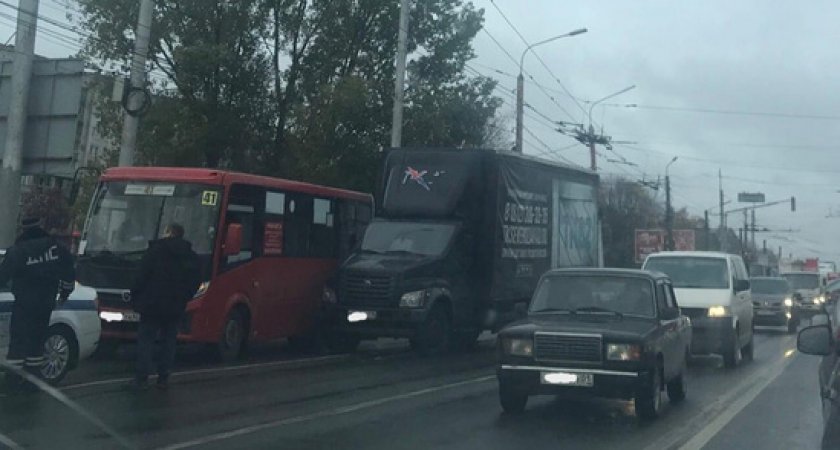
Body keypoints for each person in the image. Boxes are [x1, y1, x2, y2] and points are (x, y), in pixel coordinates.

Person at [0, 216, 75, 394]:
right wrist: (64, 294)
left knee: (18, 342)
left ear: (23, 229)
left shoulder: (18, 251)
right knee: (36, 342)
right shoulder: (56, 248)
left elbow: (2, 276)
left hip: (24, 304)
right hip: (45, 303)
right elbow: (69, 273)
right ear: (40, 227)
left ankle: (12, 380)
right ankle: (32, 380)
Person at [129, 223, 201, 391]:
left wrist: (136, 297)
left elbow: (141, 276)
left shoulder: (155, 251)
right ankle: (163, 377)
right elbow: (196, 280)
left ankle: (142, 377)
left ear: (168, 233)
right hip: (175, 305)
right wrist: (185, 297)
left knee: (146, 340)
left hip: (152, 303)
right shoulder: (189, 255)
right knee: (169, 341)